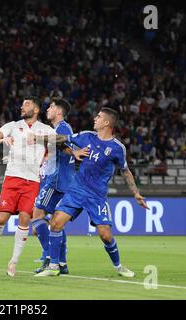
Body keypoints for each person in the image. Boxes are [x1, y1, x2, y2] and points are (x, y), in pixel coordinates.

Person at [34, 108, 148, 277]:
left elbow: (125, 171)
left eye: (99, 117)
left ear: (107, 123)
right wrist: (39, 138)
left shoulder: (117, 148)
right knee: (56, 223)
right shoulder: (87, 136)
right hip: (76, 190)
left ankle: (119, 266)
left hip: (97, 196)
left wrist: (136, 193)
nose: (95, 118)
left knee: (105, 235)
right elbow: (62, 139)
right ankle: (54, 266)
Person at [0, 97, 56, 277]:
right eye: (22, 104)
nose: (22, 106)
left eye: (26, 104)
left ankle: (13, 261)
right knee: (2, 218)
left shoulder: (45, 129)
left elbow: (57, 144)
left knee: (25, 219)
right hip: (12, 178)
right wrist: (2, 140)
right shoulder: (13, 125)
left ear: (36, 109)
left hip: (32, 181)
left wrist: (45, 158)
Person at [31, 98, 89, 274]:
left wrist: (35, 137)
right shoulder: (63, 129)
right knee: (57, 221)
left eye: (50, 107)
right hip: (64, 179)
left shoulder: (62, 128)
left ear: (58, 111)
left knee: (37, 216)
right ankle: (61, 263)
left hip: (56, 180)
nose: (47, 109)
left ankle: (49, 256)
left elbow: (60, 144)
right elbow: (62, 147)